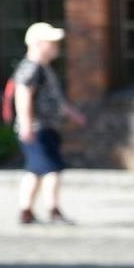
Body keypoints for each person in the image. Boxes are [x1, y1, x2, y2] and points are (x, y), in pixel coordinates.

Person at [12, 22, 86, 225]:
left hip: (45, 128)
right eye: (51, 42)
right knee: (52, 169)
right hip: (38, 129)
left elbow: (56, 100)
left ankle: (25, 211)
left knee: (35, 170)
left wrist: (72, 114)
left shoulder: (43, 68)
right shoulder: (32, 68)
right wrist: (26, 123)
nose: (56, 46)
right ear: (36, 44)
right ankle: (53, 210)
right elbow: (23, 95)